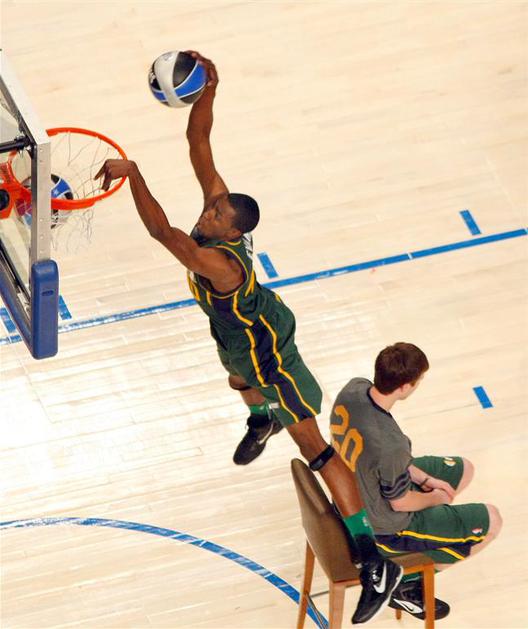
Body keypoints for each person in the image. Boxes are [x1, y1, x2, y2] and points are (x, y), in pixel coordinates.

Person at [95, 51, 402, 624]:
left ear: (230, 230)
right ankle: (261, 418)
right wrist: (210, 87)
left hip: (271, 352)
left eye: (215, 213)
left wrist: (133, 173)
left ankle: (375, 559)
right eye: (211, 206)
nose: (207, 210)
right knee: (237, 378)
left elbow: (162, 232)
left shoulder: (220, 264)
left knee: (316, 450)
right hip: (238, 335)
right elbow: (199, 143)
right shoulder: (220, 213)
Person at [330, 342, 502, 621]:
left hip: (352, 493)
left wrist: (426, 478)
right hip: (382, 526)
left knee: (464, 469)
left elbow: (381, 459)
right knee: (492, 521)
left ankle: (426, 543)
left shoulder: (354, 389)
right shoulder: (391, 446)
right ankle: (407, 583)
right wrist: (436, 497)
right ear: (405, 387)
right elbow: (400, 503)